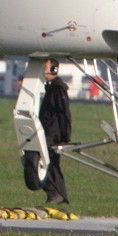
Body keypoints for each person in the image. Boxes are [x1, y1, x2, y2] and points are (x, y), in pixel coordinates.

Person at [39, 58, 71, 204]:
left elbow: (64, 114)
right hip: (47, 131)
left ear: (53, 69)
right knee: (52, 164)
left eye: (45, 66)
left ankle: (55, 193)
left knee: (44, 162)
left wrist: (65, 135)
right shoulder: (51, 87)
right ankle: (59, 195)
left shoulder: (58, 89)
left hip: (53, 133)